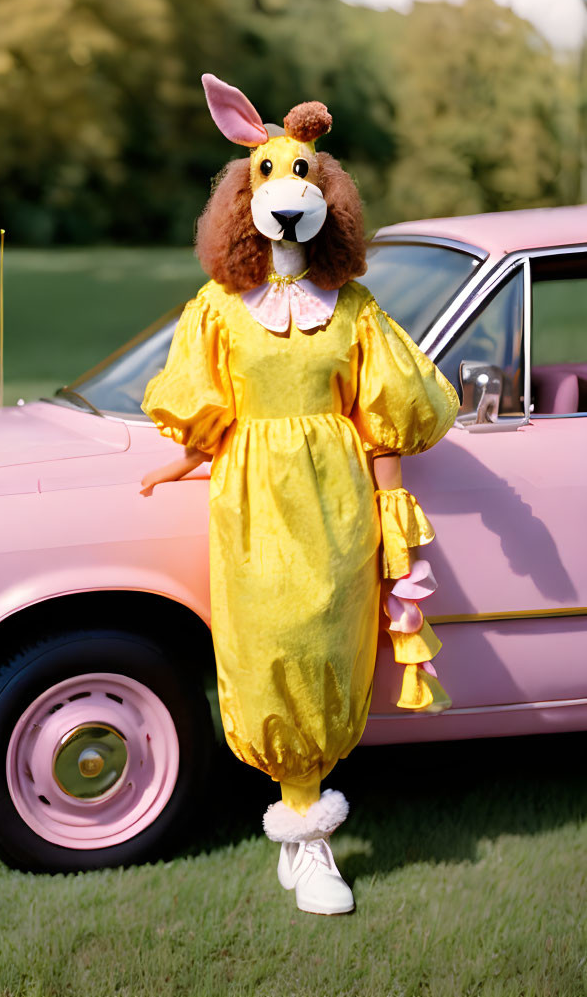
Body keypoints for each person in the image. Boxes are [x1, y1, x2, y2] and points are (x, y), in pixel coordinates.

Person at [141, 75, 459, 915]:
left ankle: (306, 830)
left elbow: (384, 418)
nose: (288, 193)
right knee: (268, 645)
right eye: (272, 176)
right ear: (247, 194)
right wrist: (182, 456)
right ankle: (302, 827)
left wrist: (394, 519)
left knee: (322, 646)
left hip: (335, 501)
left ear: (325, 193)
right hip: (250, 499)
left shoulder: (353, 307)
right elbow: (203, 405)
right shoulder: (218, 308)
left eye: (304, 174)